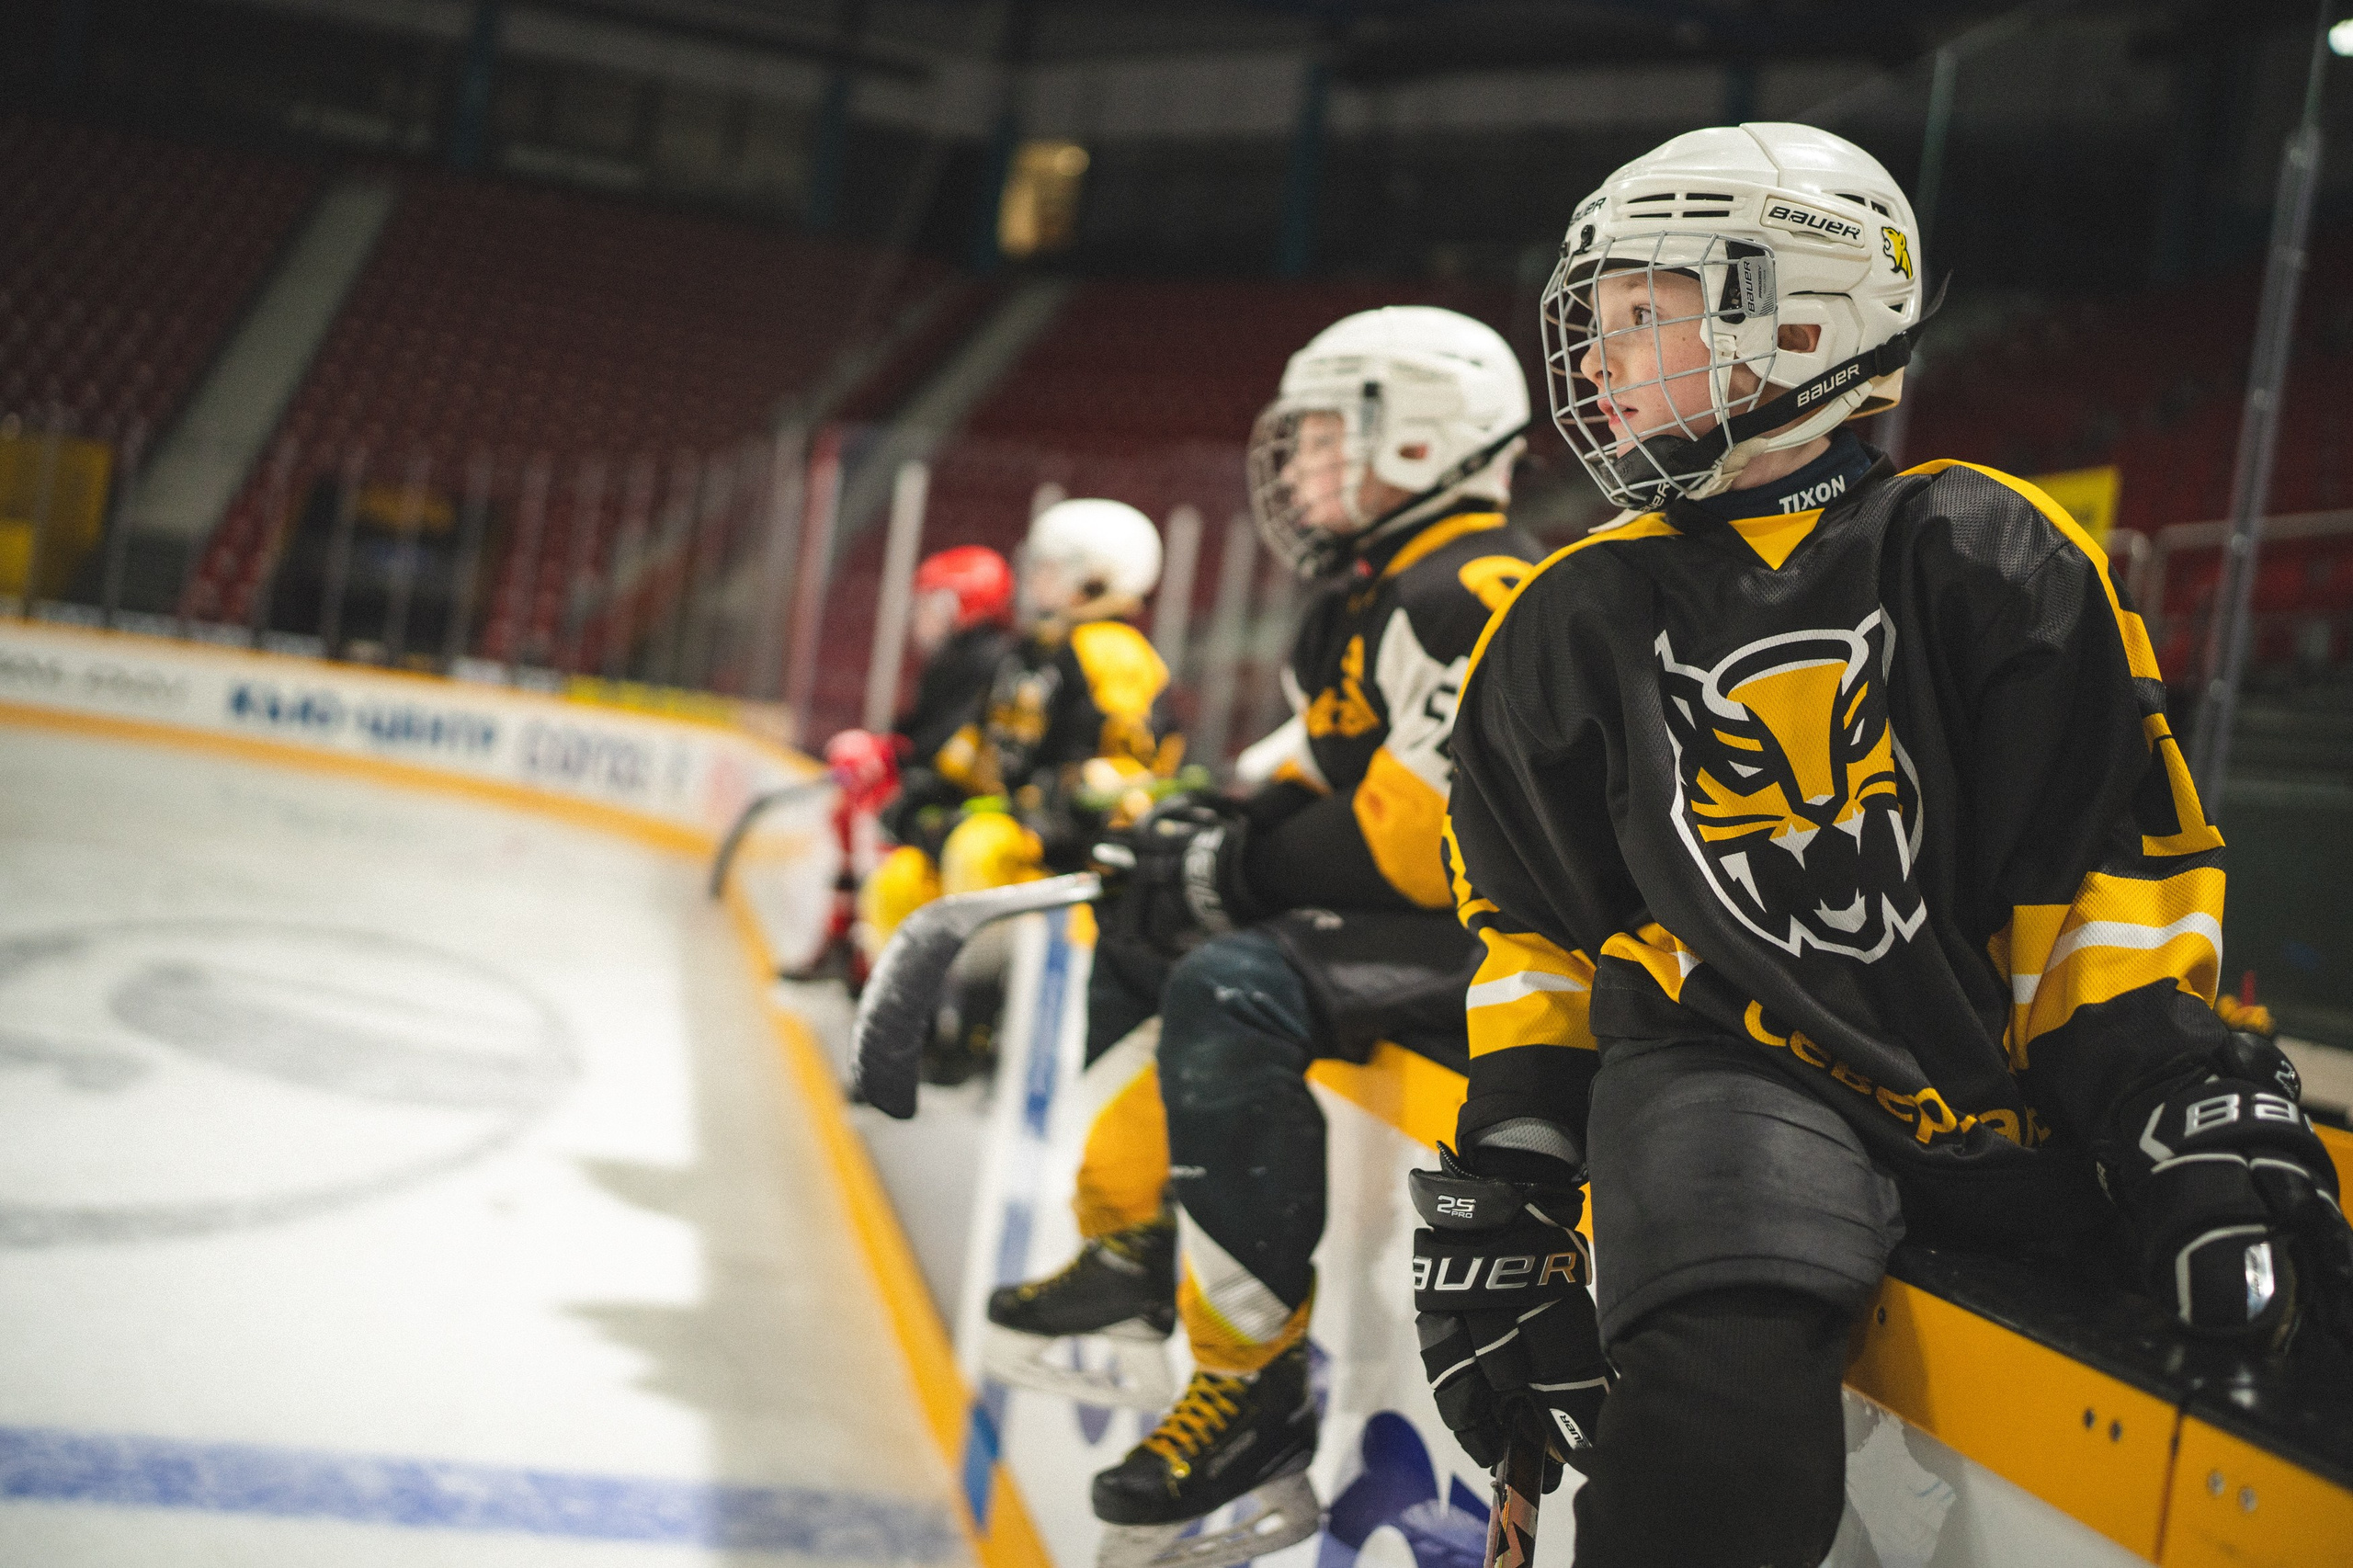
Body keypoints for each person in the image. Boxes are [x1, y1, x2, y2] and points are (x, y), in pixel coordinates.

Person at [1415, 122, 2353, 1568]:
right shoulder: (1564, 617)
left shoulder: (1984, 548)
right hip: (1723, 1067)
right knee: (1714, 1410)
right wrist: (1522, 1162)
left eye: (1641, 316)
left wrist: (2167, 1090)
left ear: (1802, 318)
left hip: (1988, 1080)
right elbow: (1537, 932)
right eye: (1594, 327)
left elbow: (2100, 870)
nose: (1596, 365)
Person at [983, 306, 1541, 1568]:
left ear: (1426, 442)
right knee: (1146, 919)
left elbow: (1424, 841)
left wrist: (1225, 862)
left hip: (1515, 945)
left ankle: (1252, 1390)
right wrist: (1193, 825)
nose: (1297, 468)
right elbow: (1303, 765)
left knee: (1234, 977)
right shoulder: (1374, 590)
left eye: (1331, 437)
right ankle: (1127, 1241)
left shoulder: (1474, 587)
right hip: (1428, 923)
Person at [867, 501, 1177, 1081]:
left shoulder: (1111, 650)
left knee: (980, 851)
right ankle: (910, 1037)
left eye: (1053, 567)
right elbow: (985, 744)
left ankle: (979, 1029)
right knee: (900, 880)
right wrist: (930, 789)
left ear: (1098, 576)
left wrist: (1053, 808)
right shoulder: (1034, 649)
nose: (1035, 579)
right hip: (1014, 827)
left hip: (1071, 851)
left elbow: (1129, 763)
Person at [793, 547, 1015, 985]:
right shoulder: (958, 655)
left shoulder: (989, 660)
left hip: (960, 792)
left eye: (934, 604)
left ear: (964, 606)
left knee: (870, 801)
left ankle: (865, 949)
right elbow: (922, 728)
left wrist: (892, 757)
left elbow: (955, 739)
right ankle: (852, 937)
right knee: (855, 788)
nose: (921, 616)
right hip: (939, 778)